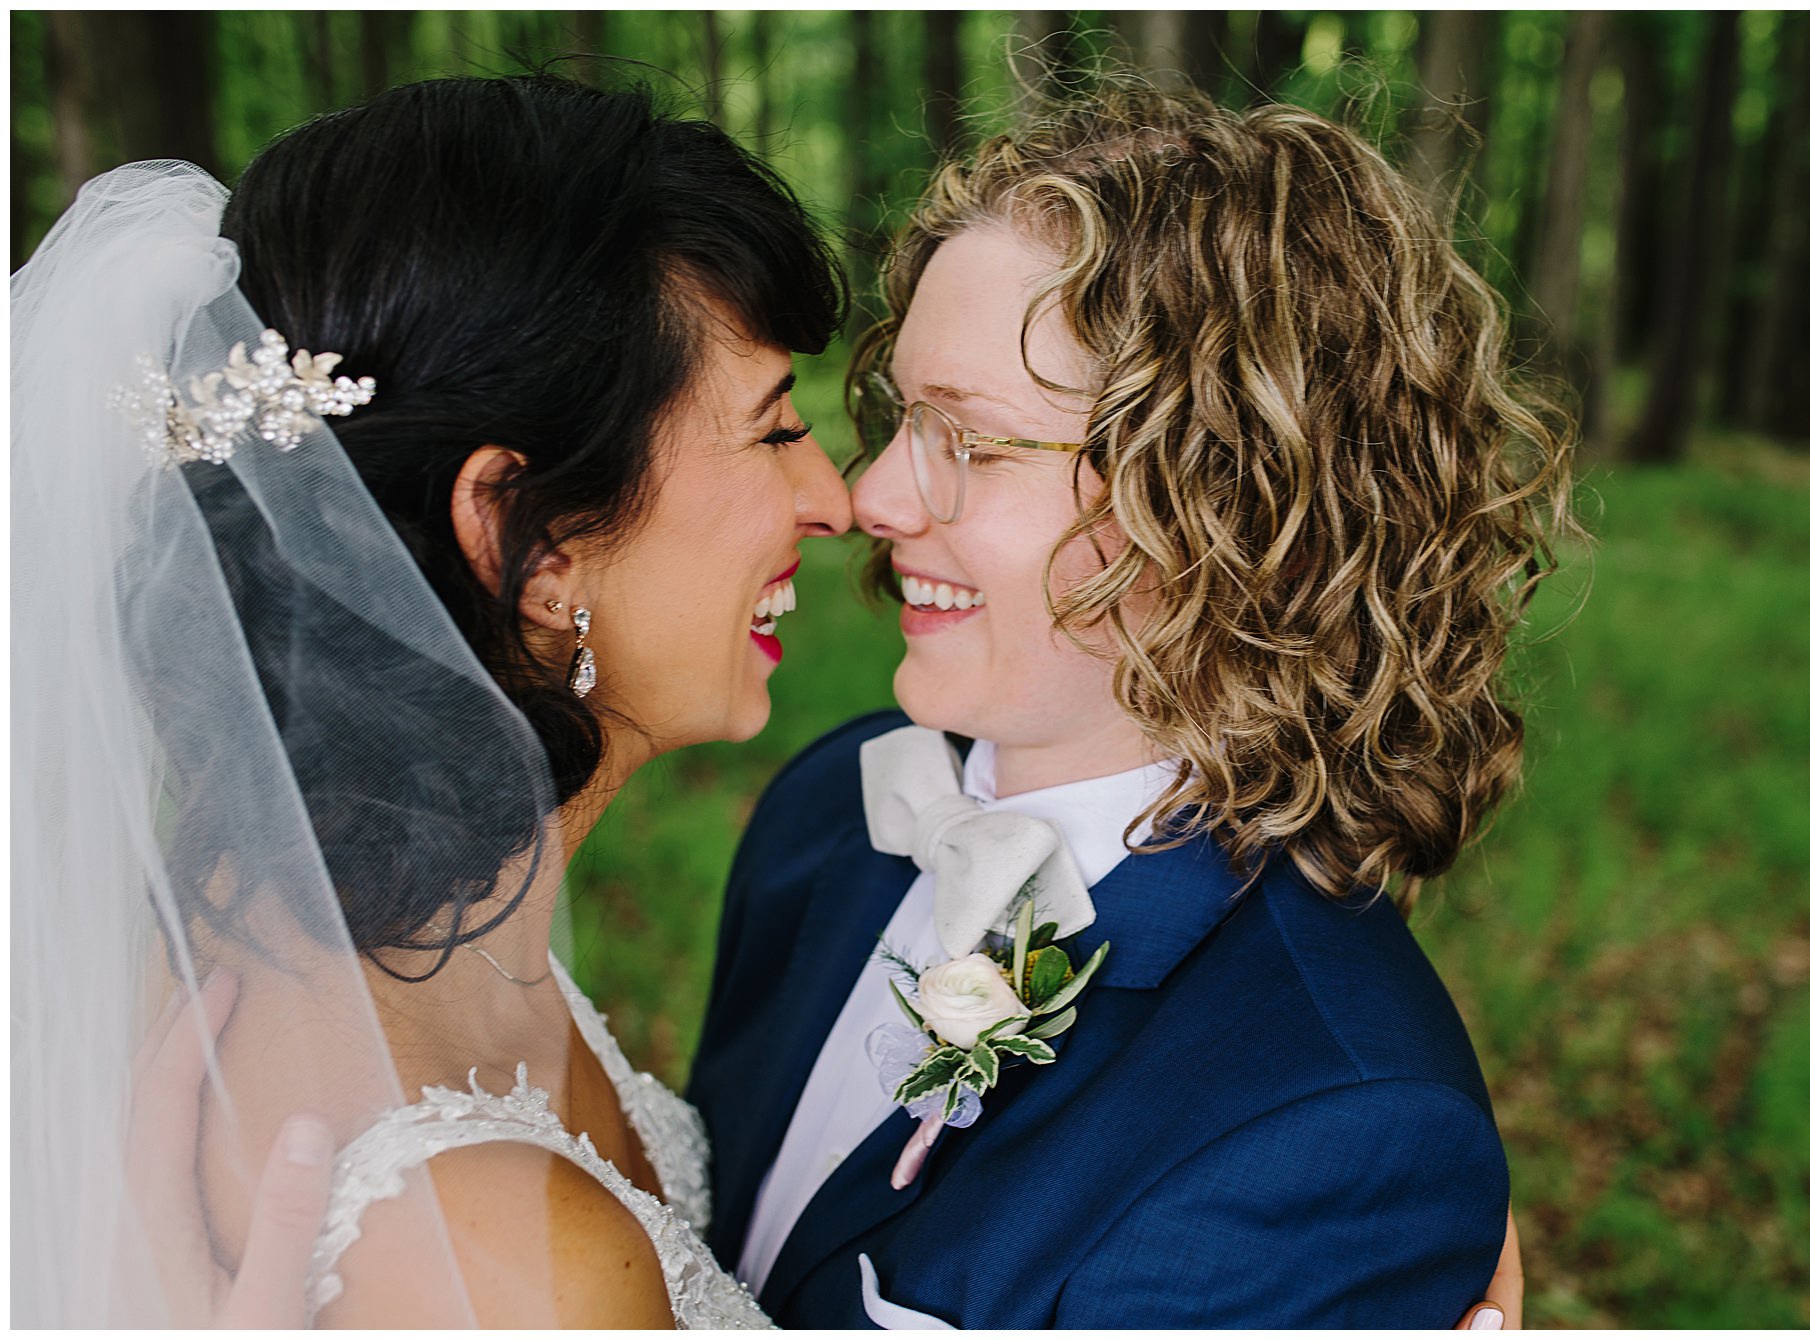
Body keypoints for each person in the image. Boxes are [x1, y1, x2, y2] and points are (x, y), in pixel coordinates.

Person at [686, 83, 1572, 1326]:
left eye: (970, 441)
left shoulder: (1335, 1130)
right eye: (895, 418)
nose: (873, 495)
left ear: (1224, 501)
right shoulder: (833, 805)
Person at [13, 74, 849, 1327]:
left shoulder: (273, 904)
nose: (833, 498)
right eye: (775, 430)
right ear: (529, 530)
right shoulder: (528, 1266)